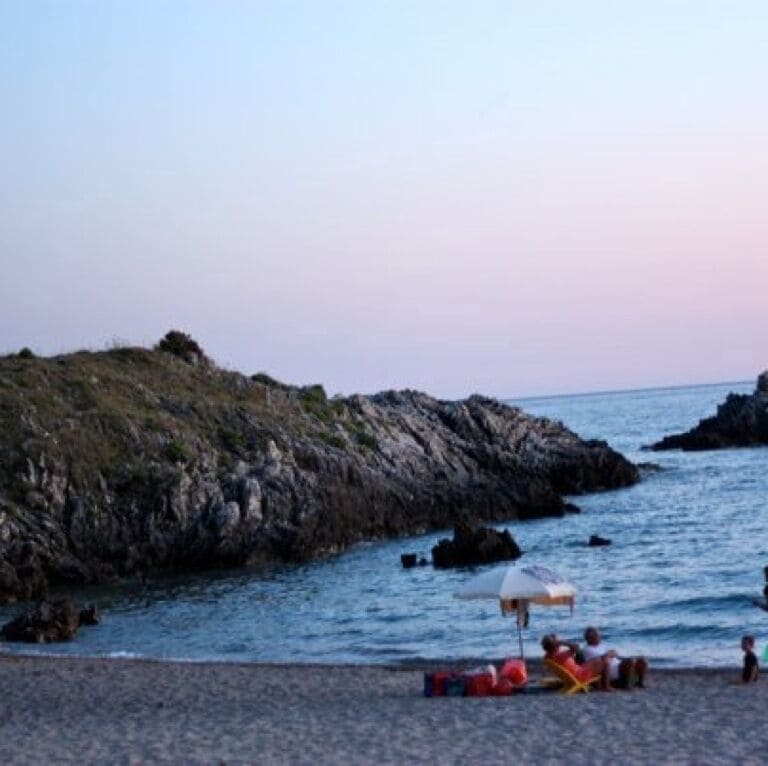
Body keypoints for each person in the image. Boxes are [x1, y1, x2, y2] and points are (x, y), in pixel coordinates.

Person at [582, 626, 648, 689]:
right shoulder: (588, 649)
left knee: (642, 660)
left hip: (618, 665)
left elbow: (615, 653)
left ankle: (640, 683)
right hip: (611, 671)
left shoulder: (601, 646)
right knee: (630, 661)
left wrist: (609, 654)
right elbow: (602, 660)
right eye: (597, 636)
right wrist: (609, 654)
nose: (600, 637)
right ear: (590, 638)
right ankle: (627, 685)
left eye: (599, 635)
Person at [541, 633, 612, 691]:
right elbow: (576, 647)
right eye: (558, 641)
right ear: (556, 644)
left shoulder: (548, 657)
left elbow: (575, 649)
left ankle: (598, 685)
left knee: (596, 659)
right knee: (605, 660)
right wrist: (563, 643)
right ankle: (606, 686)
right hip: (581, 676)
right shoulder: (561, 655)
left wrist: (557, 643)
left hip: (577, 673)